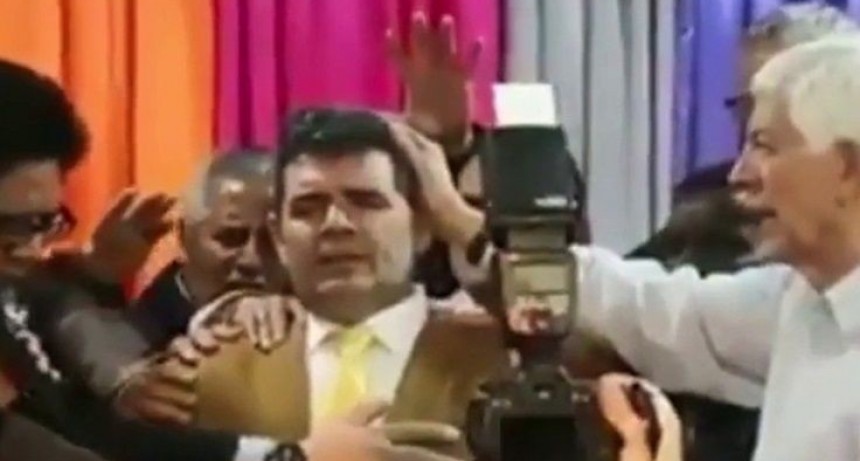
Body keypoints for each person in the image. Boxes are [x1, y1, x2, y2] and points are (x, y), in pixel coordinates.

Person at [0, 56, 472, 461]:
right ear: (281, 234)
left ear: (423, 223)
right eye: (308, 207)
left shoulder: (490, 349)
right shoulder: (205, 368)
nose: (336, 225)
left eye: (366, 202)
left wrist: (458, 194)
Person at [129, 150, 291, 351]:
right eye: (230, 238)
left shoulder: (311, 320)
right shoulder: (135, 338)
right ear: (184, 237)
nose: (253, 260)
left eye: (273, 240)